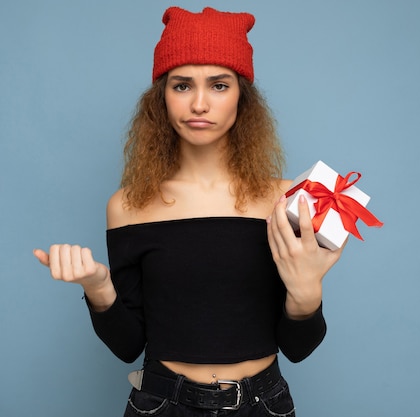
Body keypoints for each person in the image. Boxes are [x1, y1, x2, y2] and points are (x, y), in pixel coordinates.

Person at [34, 6, 344, 416]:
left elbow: (299, 348)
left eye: (219, 85)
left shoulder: (289, 200)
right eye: (182, 86)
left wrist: (306, 295)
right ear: (161, 98)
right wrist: (97, 287)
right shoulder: (127, 206)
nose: (199, 103)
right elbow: (128, 347)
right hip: (162, 404)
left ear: (242, 98)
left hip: (262, 404)